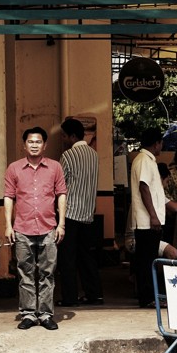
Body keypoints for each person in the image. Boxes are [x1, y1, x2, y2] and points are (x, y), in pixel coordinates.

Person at [4, 127, 67, 331]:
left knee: (48, 273)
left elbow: (61, 195)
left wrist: (61, 224)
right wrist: (8, 225)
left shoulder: (55, 167)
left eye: (38, 141)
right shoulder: (14, 169)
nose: (34, 145)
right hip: (22, 228)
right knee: (25, 273)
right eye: (30, 141)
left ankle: (46, 314)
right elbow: (9, 196)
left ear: (44, 145)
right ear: (24, 145)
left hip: (49, 227)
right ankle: (29, 314)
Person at [130, 127, 177, 308]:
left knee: (149, 259)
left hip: (150, 220)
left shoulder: (147, 160)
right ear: (156, 143)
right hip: (146, 221)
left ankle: (151, 296)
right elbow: (144, 187)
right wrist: (153, 215)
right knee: (147, 261)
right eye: (161, 143)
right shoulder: (144, 160)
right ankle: (147, 298)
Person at [56, 117, 104, 307]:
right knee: (87, 257)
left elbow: (60, 186)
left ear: (73, 136)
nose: (63, 139)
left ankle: (70, 298)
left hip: (69, 214)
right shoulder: (94, 155)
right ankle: (95, 294)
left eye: (64, 136)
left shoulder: (67, 156)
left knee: (67, 258)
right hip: (88, 214)